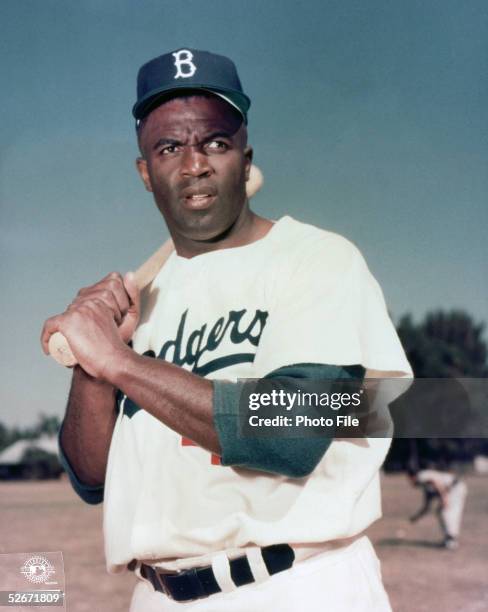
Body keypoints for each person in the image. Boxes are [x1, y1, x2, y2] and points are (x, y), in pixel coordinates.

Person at [41, 48, 412, 611]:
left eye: (215, 143)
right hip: (158, 593)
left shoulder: (319, 261)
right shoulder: (145, 298)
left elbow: (294, 434)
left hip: (296, 586)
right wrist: (95, 363)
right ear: (146, 173)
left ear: (245, 157)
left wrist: (122, 365)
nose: (194, 166)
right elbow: (91, 477)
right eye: (169, 148)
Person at [408, 466, 467, 550]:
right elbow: (427, 507)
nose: (410, 482)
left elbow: (435, 482)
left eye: (410, 479)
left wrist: (444, 497)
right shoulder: (426, 487)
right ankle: (449, 539)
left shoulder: (421, 476)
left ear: (413, 476)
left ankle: (451, 541)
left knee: (445, 513)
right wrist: (416, 517)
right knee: (441, 512)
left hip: (455, 488)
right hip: (453, 489)